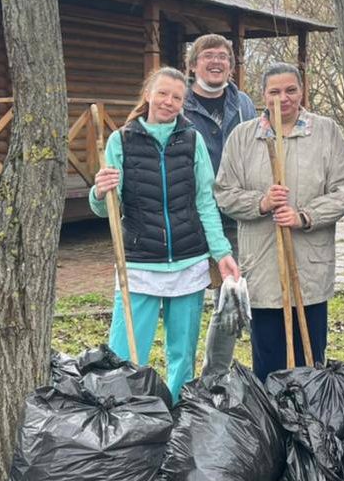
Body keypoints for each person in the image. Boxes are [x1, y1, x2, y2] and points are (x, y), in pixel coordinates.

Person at [90, 66, 240, 399]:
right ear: (148, 95)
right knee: (125, 351)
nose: (168, 102)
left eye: (176, 97)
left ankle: (175, 411)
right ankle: (123, 412)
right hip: (139, 261)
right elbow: (106, 209)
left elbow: (205, 201)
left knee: (182, 356)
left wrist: (222, 252)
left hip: (188, 261)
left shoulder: (192, 140)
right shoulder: (121, 140)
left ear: (183, 103)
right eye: (162, 94)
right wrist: (100, 192)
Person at [215, 63, 344, 380]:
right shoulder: (243, 137)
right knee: (268, 358)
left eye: (291, 90)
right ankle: (274, 422)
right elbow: (224, 193)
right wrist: (261, 202)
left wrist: (304, 216)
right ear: (263, 94)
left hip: (309, 265)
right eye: (274, 91)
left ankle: (308, 423)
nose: (283, 98)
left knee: (310, 357)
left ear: (302, 90)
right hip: (264, 265)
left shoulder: (326, 131)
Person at [183, 34, 257, 174]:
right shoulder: (178, 105)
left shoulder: (244, 104)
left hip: (237, 193)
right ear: (193, 65)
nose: (216, 61)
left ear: (230, 67)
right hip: (193, 193)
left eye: (223, 56)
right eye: (208, 55)